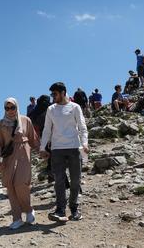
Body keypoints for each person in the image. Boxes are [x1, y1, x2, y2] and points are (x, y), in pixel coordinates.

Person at [40, 82, 88, 222]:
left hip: (74, 147)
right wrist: (43, 148)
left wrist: (85, 143)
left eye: (55, 94)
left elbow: (82, 127)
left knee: (75, 180)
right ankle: (60, 210)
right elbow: (47, 129)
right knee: (59, 181)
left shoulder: (75, 107)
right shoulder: (51, 109)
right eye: (52, 94)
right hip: (57, 149)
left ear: (63, 92)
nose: (53, 97)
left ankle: (74, 208)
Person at [0, 98, 39, 230]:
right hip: (9, 157)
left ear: (17, 107)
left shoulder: (25, 120)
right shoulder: (1, 124)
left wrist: (41, 150)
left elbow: (32, 137)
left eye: (12, 107)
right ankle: (17, 218)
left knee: (21, 183)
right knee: (10, 186)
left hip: (24, 153)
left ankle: (28, 210)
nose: (10, 111)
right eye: (7, 108)